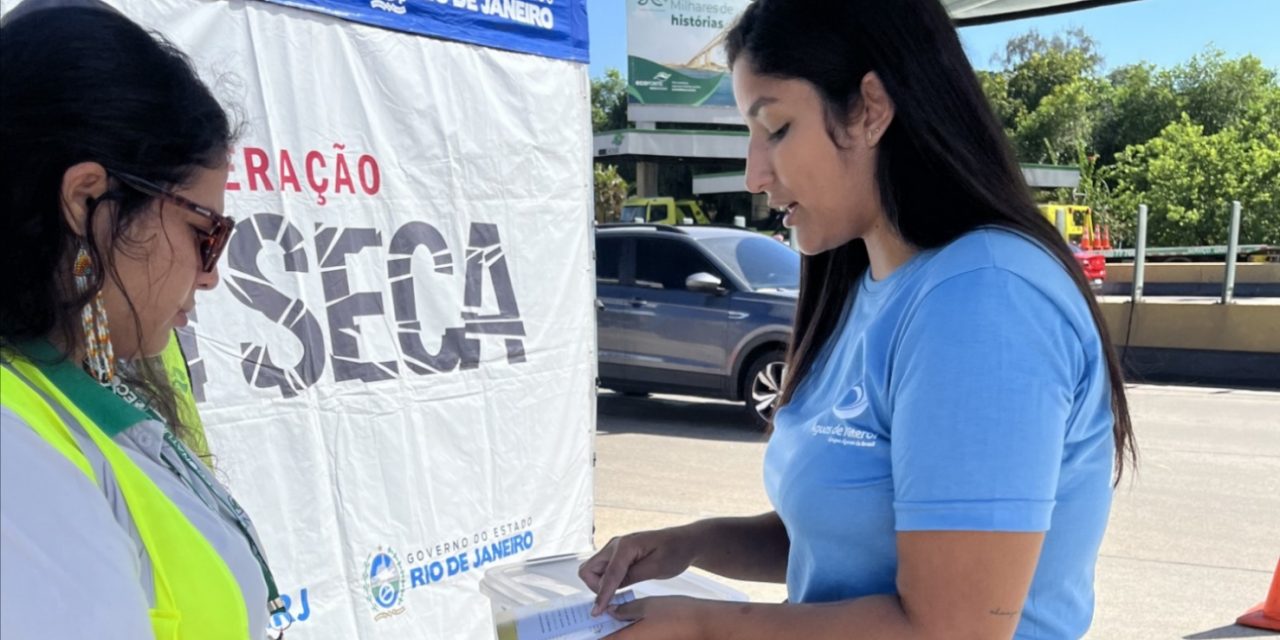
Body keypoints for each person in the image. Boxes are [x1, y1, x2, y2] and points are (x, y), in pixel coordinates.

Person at [579, 0, 1136, 638]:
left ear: (869, 108)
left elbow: (949, 630)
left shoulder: (986, 299)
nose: (755, 173)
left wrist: (705, 627)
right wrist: (692, 544)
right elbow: (846, 546)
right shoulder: (866, 289)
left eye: (777, 128)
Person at [0, 4, 283, 638]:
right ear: (86, 201)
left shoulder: (77, 387)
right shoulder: (13, 447)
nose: (211, 273)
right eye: (204, 233)